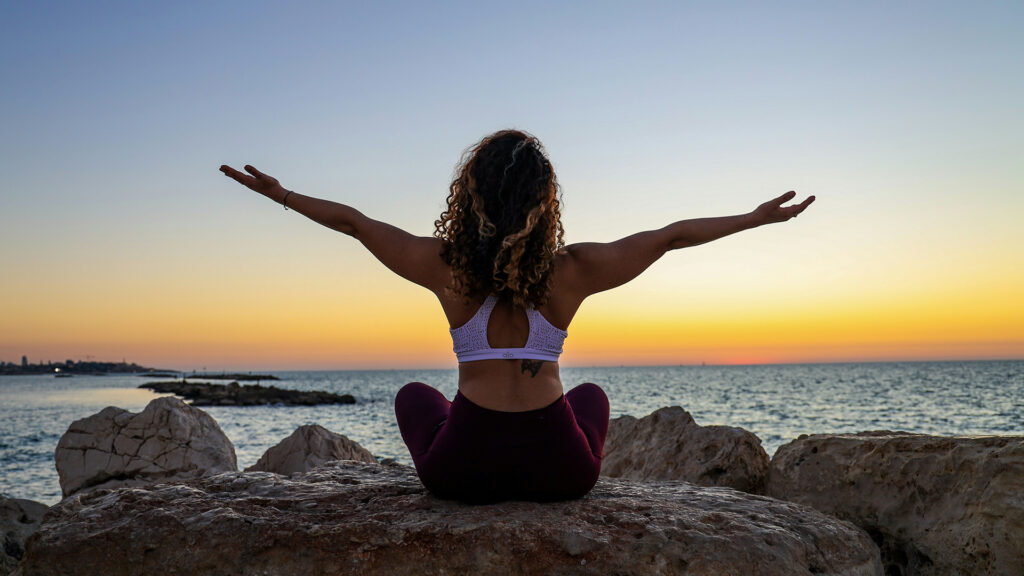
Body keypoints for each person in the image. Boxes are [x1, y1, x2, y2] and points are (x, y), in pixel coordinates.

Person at [220, 129, 814, 503]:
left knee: (413, 397)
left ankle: (466, 423)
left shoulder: (445, 266)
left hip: (460, 474)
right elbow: (671, 237)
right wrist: (751, 218)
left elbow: (354, 222)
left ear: (468, 196)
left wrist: (283, 195)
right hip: (561, 473)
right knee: (593, 398)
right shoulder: (573, 271)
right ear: (544, 202)